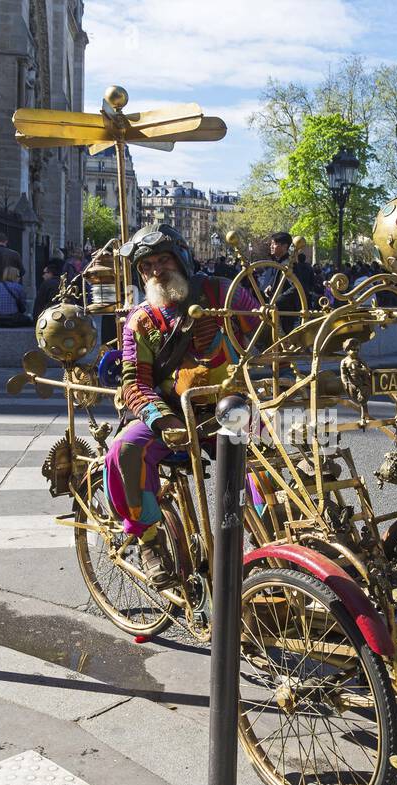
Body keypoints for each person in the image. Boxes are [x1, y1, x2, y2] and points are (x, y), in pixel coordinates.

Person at [102, 223, 260, 588]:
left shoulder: (222, 291)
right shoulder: (139, 321)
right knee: (123, 451)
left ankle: (275, 534)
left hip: (233, 405)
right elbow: (134, 383)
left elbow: (263, 329)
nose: (156, 271)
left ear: (181, 257)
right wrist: (163, 419)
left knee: (269, 460)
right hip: (174, 413)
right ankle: (149, 540)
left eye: (162, 260)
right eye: (146, 266)